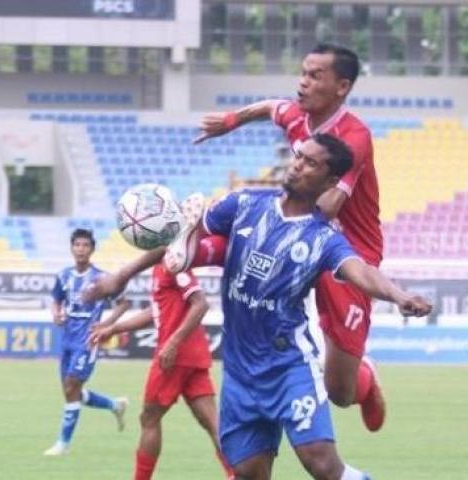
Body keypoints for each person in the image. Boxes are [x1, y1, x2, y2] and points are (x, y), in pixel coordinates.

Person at [85, 134, 431, 479]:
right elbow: (190, 243)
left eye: (311, 162)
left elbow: (362, 272)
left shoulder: (323, 238)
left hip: (288, 366)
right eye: (299, 156)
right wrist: (125, 274)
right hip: (240, 372)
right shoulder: (243, 204)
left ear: (328, 181)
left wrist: (400, 297)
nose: (297, 164)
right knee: (249, 472)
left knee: (322, 464)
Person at [179, 43, 386, 431]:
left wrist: (264, 209)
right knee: (243, 238)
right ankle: (187, 250)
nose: (303, 82)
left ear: (342, 87)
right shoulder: (296, 116)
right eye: (303, 73)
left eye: (314, 76)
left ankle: (366, 378)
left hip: (348, 253)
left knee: (340, 392)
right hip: (300, 237)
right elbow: (270, 106)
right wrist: (230, 121)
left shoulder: (353, 138)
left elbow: (327, 208)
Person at [90, 263, 234, 480]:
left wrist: (174, 342)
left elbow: (201, 304)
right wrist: (114, 328)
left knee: (149, 418)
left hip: (173, 358)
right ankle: (235, 474)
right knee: (212, 422)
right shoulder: (162, 266)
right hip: (194, 354)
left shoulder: (173, 263)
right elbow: (156, 311)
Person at [43, 228, 131, 456]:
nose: (81, 249)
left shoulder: (102, 279)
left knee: (72, 387)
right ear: (72, 248)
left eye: (85, 245)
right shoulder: (63, 276)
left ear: (92, 249)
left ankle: (63, 444)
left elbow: (123, 303)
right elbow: (56, 300)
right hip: (67, 338)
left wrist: (107, 324)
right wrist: (56, 312)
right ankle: (115, 405)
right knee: (70, 391)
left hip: (88, 338)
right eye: (77, 245)